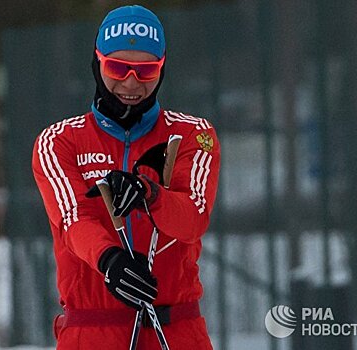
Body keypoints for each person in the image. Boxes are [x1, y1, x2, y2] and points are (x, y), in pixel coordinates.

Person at [32, 5, 220, 349]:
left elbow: (193, 217)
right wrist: (110, 261)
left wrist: (152, 195)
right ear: (97, 62)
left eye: (146, 71)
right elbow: (73, 219)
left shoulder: (193, 134)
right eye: (117, 68)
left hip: (176, 329)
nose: (131, 83)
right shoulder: (60, 141)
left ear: (161, 70)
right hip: (91, 331)